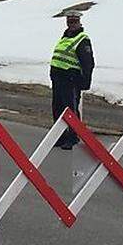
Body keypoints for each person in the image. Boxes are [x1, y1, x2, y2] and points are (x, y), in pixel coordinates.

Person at [50, 9, 94, 150]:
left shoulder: (82, 39)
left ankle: (73, 136)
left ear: (79, 22)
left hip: (71, 80)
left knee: (71, 110)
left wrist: (84, 82)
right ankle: (61, 136)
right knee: (58, 108)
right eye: (69, 21)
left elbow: (88, 63)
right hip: (58, 79)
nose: (71, 24)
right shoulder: (65, 37)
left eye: (74, 21)